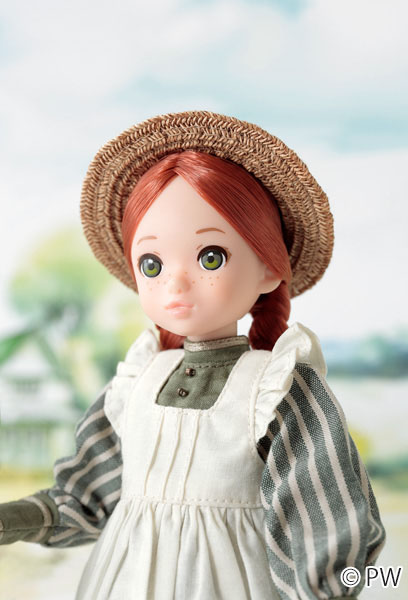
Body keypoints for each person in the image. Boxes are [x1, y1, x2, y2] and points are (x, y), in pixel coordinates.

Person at [0, 112, 385, 599]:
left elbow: (322, 521)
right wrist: (13, 519)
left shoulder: (276, 388)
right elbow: (85, 498)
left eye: (210, 257)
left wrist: (333, 585)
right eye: (152, 264)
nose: (176, 284)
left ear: (269, 269)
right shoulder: (137, 381)